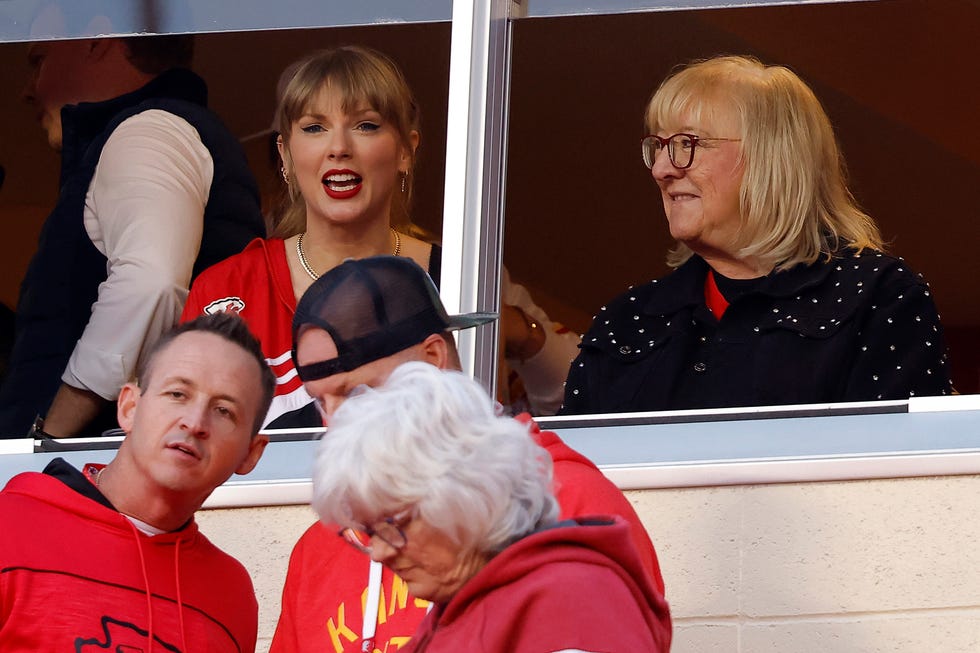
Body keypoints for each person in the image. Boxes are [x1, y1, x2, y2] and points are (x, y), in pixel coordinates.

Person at [270, 255, 665, 653]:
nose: (335, 423)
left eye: (354, 393)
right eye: (321, 402)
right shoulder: (319, 548)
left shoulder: (571, 499)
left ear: (432, 361)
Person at [182, 45, 578, 429]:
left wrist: (518, 334)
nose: (339, 148)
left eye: (366, 125)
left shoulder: (461, 276)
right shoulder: (227, 288)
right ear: (284, 155)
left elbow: (583, 402)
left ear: (406, 150)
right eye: (315, 128)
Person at [561, 55, 954, 415]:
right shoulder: (629, 318)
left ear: (772, 158)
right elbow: (570, 479)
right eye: (659, 146)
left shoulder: (876, 298)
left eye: (687, 144)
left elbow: (900, 479)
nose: (662, 169)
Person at [0, 34, 266, 439]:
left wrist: (48, 436)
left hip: (89, 476)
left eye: (38, 59)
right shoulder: (158, 129)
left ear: (94, 40)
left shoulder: (147, 131)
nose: (26, 90)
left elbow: (150, 284)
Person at [311, 361, 671, 652]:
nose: (378, 552)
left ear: (466, 497)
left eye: (390, 525)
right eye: (367, 532)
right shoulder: (466, 602)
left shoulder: (569, 601)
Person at [0, 313, 275, 651]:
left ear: (251, 453)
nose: (194, 422)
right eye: (177, 394)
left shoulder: (231, 594)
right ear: (129, 407)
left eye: (223, 411)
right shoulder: (10, 527)